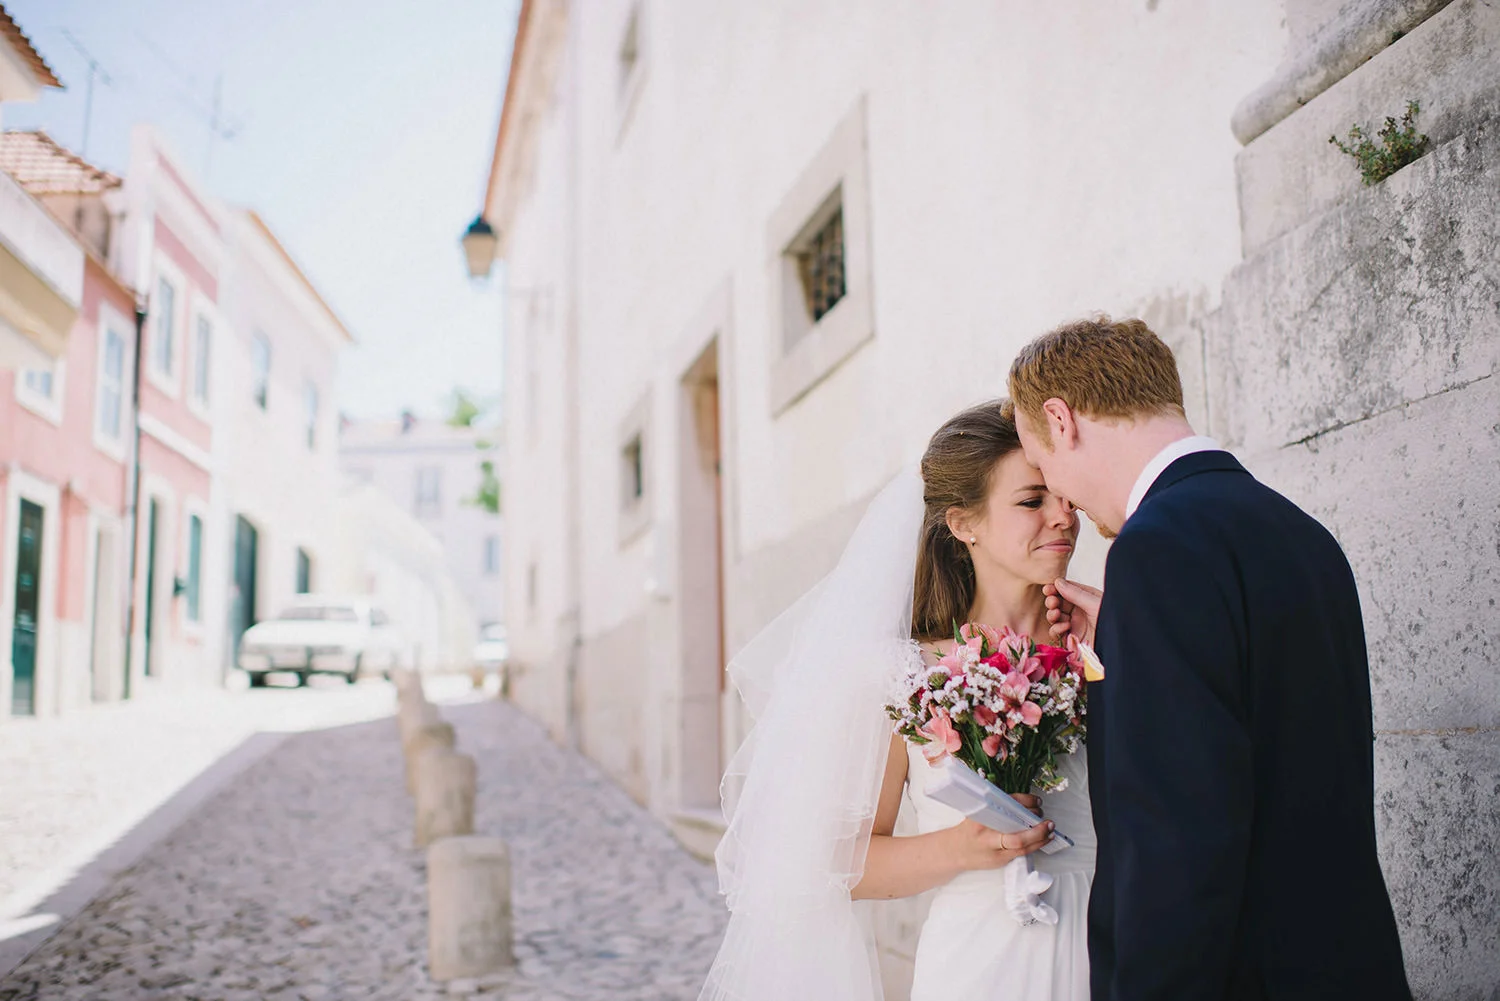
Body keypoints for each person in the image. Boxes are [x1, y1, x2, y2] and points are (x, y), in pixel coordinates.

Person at [1008, 316, 1411, 1001]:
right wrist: (1126, 638)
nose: (1063, 499)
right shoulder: (1302, 534)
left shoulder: (1153, 551)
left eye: (1044, 466)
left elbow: (1175, 848)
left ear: (1061, 418)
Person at [699, 400, 1091, 1001]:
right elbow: (842, 863)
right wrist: (958, 847)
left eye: (1065, 495)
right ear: (964, 524)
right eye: (1032, 500)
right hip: (981, 961)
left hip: (1111, 937)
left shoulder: (1103, 643)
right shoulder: (906, 673)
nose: (1063, 517)